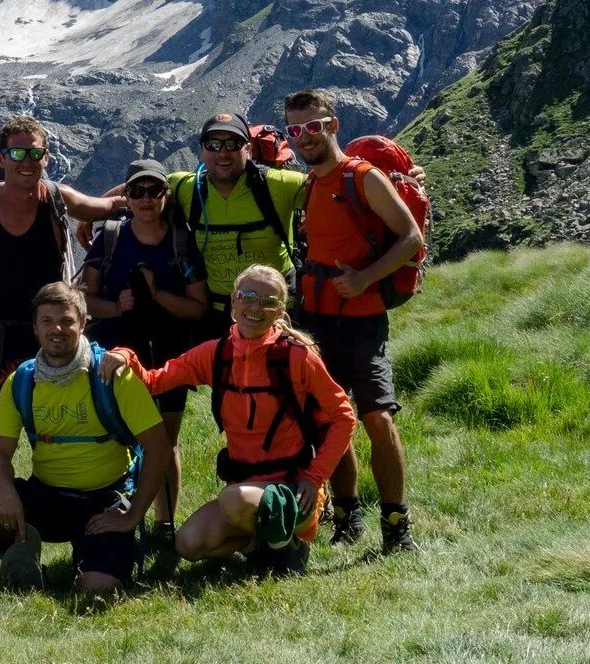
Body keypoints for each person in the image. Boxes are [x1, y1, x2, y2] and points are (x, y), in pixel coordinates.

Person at [102, 266, 355, 575]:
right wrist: (124, 354)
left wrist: (314, 477)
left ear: (280, 310)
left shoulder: (298, 356)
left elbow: (344, 415)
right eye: (247, 296)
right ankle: (261, 547)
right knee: (188, 544)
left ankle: (290, 545)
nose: (255, 308)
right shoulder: (217, 354)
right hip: (244, 490)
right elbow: (154, 381)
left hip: (294, 492)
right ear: (233, 302)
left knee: (233, 499)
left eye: (268, 301)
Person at [0, 283, 172, 595]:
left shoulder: (113, 375)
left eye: (67, 321)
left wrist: (134, 514)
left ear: (83, 324)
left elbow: (159, 448)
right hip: (48, 495)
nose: (56, 329)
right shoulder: (21, 381)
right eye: (46, 321)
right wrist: (6, 493)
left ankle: (92, 561)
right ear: (35, 328)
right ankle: (21, 559)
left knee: (98, 590)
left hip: (104, 501)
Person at [0, 115, 123, 480]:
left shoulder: (57, 199)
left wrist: (153, 188)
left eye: (34, 152)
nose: (26, 161)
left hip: (46, 347)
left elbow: (110, 207)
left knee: (56, 445)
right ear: (1, 157)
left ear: (47, 157)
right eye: (17, 152)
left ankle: (51, 514)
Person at [284, 88, 424, 554]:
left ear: (333, 126)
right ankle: (346, 516)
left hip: (362, 320)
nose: (305, 137)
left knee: (377, 419)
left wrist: (365, 278)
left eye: (313, 126)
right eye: (295, 130)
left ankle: (396, 525)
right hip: (317, 322)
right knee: (331, 419)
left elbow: (410, 237)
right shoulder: (307, 187)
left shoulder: (361, 177)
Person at [78, 157, 209, 558]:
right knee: (121, 437)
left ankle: (163, 524)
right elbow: (85, 299)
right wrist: (118, 308)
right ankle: (116, 517)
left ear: (166, 196)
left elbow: (199, 307)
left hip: (169, 354)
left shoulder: (180, 240)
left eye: (154, 190)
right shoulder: (111, 237)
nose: (146, 199)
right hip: (117, 354)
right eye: (137, 191)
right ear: (127, 197)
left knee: (164, 440)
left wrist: (156, 296)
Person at [166, 111, 308, 329]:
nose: (223, 153)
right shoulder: (185, 187)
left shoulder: (279, 185)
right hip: (218, 316)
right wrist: (98, 214)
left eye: (233, 144)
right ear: (201, 151)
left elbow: (334, 189)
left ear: (248, 149)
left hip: (277, 315)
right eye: (213, 144)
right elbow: (136, 191)